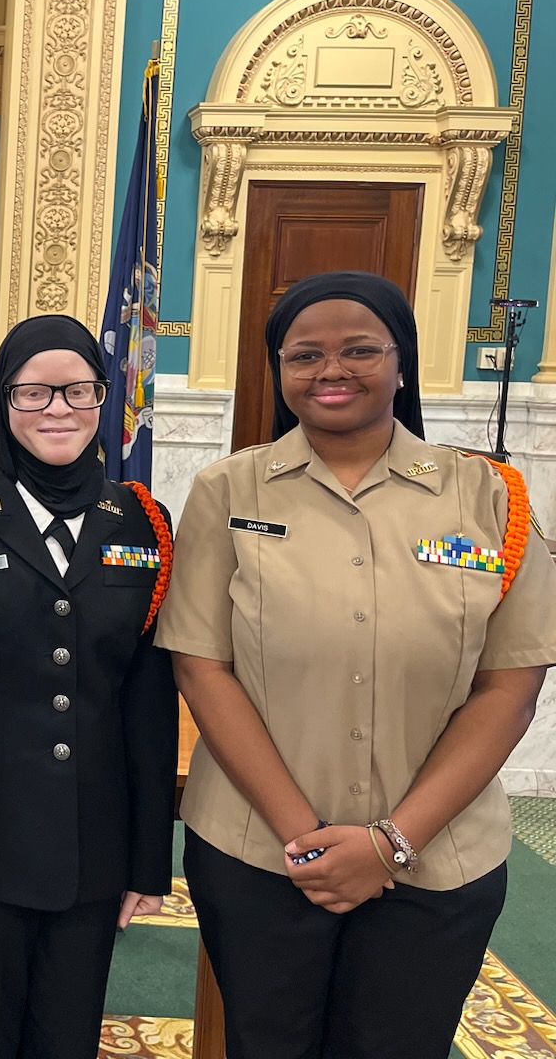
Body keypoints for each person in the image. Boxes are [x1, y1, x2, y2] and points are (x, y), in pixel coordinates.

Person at [157, 271, 556, 1059]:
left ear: (401, 362)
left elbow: (510, 685)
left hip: (436, 860)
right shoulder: (226, 491)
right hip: (259, 853)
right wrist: (306, 839)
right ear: (278, 369)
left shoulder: (490, 499)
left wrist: (390, 845)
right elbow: (202, 667)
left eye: (359, 350)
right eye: (304, 354)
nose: (330, 370)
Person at [0, 314, 178, 1058]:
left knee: (67, 1039)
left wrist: (149, 856)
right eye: (33, 393)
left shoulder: (142, 524)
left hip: (94, 850)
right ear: (1, 402)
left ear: (102, 398)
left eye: (77, 390)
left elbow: (148, 704)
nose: (58, 409)